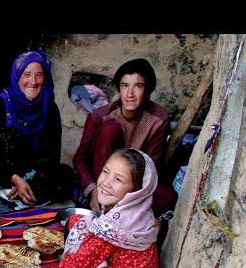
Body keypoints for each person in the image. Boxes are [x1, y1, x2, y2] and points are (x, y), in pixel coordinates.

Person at [57, 148, 161, 268]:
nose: (106, 182)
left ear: (136, 191)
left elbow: (77, 266)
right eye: (105, 172)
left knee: (76, 228)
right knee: (82, 225)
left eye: (118, 179)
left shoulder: (114, 225)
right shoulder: (141, 213)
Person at [72, 58, 175, 215]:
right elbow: (80, 159)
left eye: (138, 86)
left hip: (131, 183)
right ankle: (101, 201)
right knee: (110, 128)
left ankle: (118, 207)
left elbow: (151, 167)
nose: (130, 94)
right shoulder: (101, 116)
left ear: (148, 91)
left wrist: (128, 196)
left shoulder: (158, 119)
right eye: (124, 85)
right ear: (119, 89)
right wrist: (93, 190)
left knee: (167, 197)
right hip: (101, 181)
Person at [0, 50, 74, 209]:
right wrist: (14, 178)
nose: (33, 81)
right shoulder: (0, 105)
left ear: (45, 77)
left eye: (39, 75)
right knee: (2, 142)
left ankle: (21, 194)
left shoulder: (49, 107)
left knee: (65, 174)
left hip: (34, 174)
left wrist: (27, 178)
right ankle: (11, 190)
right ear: (17, 76)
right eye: (27, 74)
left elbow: (52, 154)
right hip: (4, 172)